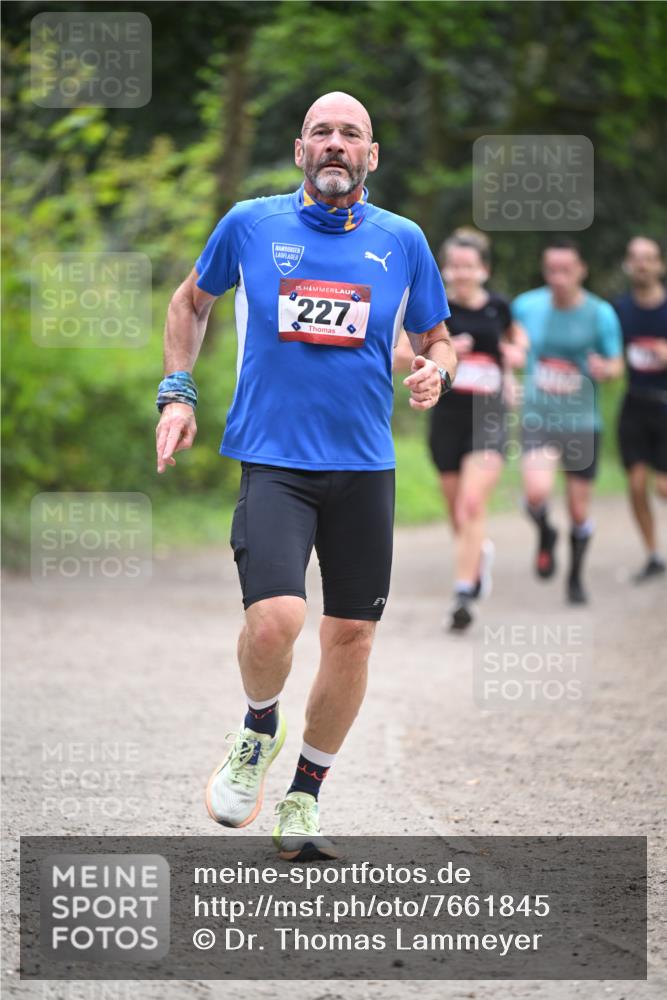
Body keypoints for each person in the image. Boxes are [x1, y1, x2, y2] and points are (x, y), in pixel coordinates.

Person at [155, 92, 456, 861]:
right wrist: (178, 392)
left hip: (365, 466)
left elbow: (435, 337)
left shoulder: (403, 240)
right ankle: (258, 726)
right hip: (275, 460)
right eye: (320, 132)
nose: (334, 144)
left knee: (351, 635)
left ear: (370, 156)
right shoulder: (252, 225)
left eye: (350, 133)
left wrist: (436, 372)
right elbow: (191, 303)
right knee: (275, 620)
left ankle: (304, 799)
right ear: (299, 151)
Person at [394, 228, 526, 632]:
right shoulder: (434, 309)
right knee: (456, 511)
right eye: (454, 266)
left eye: (470, 266)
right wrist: (443, 354)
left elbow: (521, 347)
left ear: (483, 270)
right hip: (446, 416)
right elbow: (401, 354)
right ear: (444, 270)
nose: (462, 273)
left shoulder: (498, 308)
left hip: (488, 415)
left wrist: (507, 357)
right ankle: (477, 557)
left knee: (471, 504)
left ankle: (464, 594)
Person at [513, 238, 624, 605]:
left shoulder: (600, 313)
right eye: (551, 270)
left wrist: (604, 369)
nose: (558, 278)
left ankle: (575, 576)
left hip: (581, 421)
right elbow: (508, 347)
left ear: (581, 270)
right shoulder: (526, 307)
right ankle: (546, 532)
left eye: (566, 270)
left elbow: (616, 363)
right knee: (536, 493)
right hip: (538, 415)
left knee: (579, 510)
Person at [614, 237, 667, 583]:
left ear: (660, 264)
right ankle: (652, 554)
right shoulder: (619, 310)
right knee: (635, 485)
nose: (642, 264)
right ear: (627, 265)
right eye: (636, 258)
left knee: (664, 487)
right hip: (634, 403)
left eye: (648, 258)